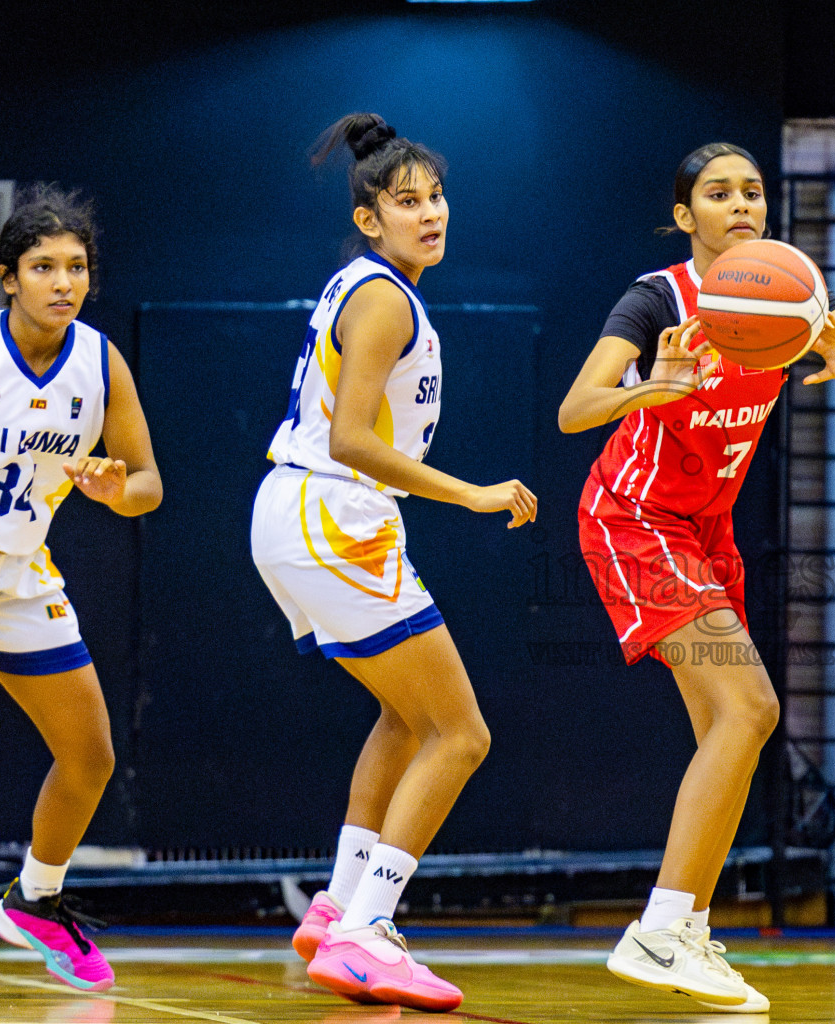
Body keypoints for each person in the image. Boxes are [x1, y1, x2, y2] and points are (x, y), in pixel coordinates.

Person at [559, 142, 835, 1013]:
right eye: (718, 194)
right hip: (634, 518)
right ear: (687, 217)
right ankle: (662, 928)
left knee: (736, 730)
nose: (741, 204)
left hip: (706, 531)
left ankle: (684, 927)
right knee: (752, 709)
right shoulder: (659, 300)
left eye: (752, 191)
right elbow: (577, 410)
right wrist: (656, 386)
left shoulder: (790, 293)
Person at [251, 113, 536, 1012]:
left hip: (301, 513)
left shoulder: (363, 285)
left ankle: (338, 903)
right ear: (369, 217)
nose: (431, 213)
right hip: (331, 510)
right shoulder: (383, 297)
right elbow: (351, 437)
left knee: (407, 719)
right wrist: (472, 493)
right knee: (463, 734)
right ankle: (368, 932)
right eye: (407, 201)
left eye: (437, 197)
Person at [0, 185, 163, 991]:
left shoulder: (100, 362)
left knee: (89, 755)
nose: (64, 281)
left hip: (20, 572)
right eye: (43, 266)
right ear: (7, 276)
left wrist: (113, 488)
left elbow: (149, 482)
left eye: (77, 267)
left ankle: (35, 900)